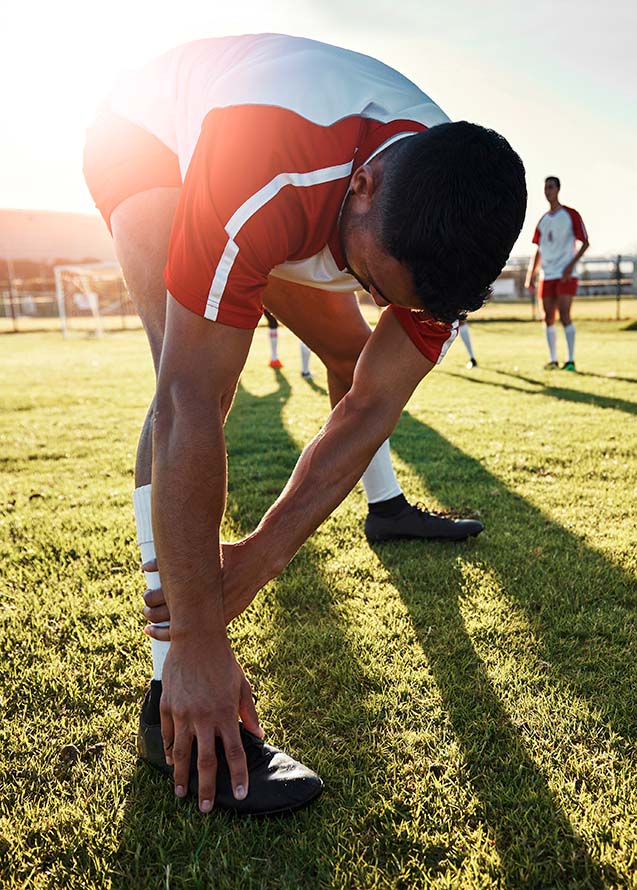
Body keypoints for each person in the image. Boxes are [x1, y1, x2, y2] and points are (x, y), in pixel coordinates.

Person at [83, 34, 526, 816]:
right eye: (366, 279)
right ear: (361, 188)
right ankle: (168, 696)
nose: (373, 295)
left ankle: (383, 511)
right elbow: (191, 399)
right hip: (150, 137)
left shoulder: (443, 236)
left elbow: (369, 406)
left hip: (303, 182)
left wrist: (255, 558)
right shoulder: (267, 169)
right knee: (182, 374)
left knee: (356, 361)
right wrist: (198, 635)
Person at [525, 176, 589, 370]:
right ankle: (553, 359)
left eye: (551, 187)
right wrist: (531, 275)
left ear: (558, 189)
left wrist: (571, 265)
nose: (547, 191)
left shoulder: (571, 214)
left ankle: (570, 360)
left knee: (564, 315)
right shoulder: (543, 220)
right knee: (547, 318)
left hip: (565, 274)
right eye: (545, 188)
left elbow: (585, 242)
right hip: (547, 274)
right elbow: (538, 250)